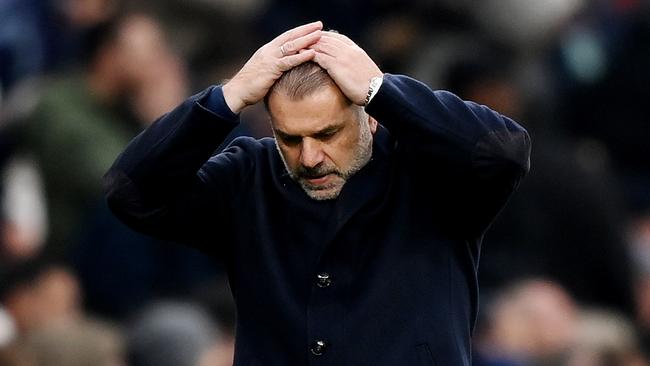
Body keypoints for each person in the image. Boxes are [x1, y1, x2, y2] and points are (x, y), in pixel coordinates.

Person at [104, 21, 531, 365]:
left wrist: (384, 89)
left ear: (371, 119)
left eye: (327, 133)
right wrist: (226, 97)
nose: (309, 157)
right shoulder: (250, 174)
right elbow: (131, 192)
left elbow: (503, 151)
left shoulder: (429, 172)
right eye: (290, 138)